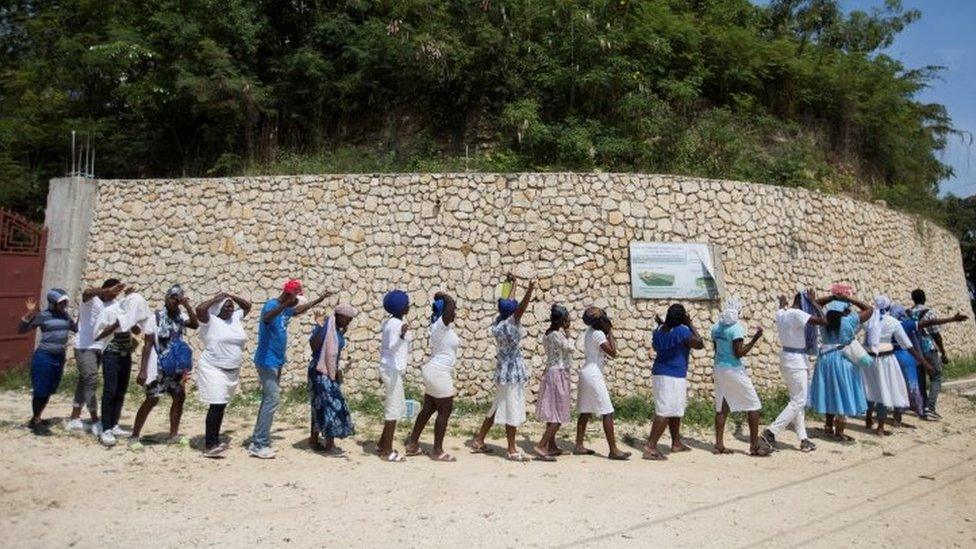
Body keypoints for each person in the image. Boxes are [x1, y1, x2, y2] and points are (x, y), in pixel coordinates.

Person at [249, 279, 329, 459]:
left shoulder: (285, 308)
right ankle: (259, 443)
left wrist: (319, 299)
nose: (297, 301)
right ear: (289, 295)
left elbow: (299, 310)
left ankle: (259, 438)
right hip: (266, 361)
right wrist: (285, 304)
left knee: (267, 400)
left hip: (276, 360)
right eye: (296, 297)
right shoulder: (272, 305)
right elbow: (266, 318)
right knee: (272, 400)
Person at [469, 274, 535, 461]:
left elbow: (509, 304)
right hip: (512, 372)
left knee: (497, 405)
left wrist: (514, 284)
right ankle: (511, 448)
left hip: (502, 371)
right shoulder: (511, 323)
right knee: (512, 409)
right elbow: (521, 306)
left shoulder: (498, 322)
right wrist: (529, 289)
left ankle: (479, 439)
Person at [129, 285, 200, 449]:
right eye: (172, 298)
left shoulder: (181, 317)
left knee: (179, 397)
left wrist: (187, 305)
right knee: (151, 400)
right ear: (166, 298)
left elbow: (195, 325)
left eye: (178, 298)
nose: (175, 301)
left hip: (176, 367)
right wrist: (143, 370)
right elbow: (147, 345)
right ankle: (134, 435)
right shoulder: (157, 318)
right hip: (159, 366)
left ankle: (173, 434)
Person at [762, 291, 827, 452]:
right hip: (796, 362)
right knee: (799, 401)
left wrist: (782, 302)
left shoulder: (782, 313)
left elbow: (782, 307)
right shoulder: (798, 314)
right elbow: (824, 320)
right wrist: (814, 302)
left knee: (796, 401)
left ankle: (803, 439)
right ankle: (771, 431)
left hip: (787, 358)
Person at [709, 298, 771, 456]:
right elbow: (739, 353)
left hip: (719, 367)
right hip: (734, 369)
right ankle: (754, 445)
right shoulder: (737, 328)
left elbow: (716, 350)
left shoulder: (715, 327)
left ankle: (719, 445)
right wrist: (755, 339)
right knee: (754, 404)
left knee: (721, 406)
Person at [807, 293, 873, 442]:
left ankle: (828, 425)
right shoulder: (849, 320)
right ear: (844, 310)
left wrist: (831, 297)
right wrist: (848, 299)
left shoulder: (823, 320)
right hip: (842, 359)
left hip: (825, 359)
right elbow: (869, 309)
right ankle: (840, 431)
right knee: (843, 391)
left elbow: (814, 304)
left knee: (829, 390)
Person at [642, 304, 704, 460]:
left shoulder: (658, 331)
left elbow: (656, 346)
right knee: (665, 411)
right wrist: (689, 323)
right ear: (682, 317)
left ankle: (676, 442)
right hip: (673, 376)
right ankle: (650, 447)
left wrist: (662, 324)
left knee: (675, 408)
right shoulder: (683, 331)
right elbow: (699, 343)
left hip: (660, 373)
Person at [194, 292, 251, 458]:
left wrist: (232, 296)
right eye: (227, 306)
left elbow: (247, 306)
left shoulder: (235, 318)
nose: (231, 308)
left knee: (221, 405)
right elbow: (199, 309)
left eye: (231, 306)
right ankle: (210, 445)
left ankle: (215, 440)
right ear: (218, 308)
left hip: (231, 371)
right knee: (216, 404)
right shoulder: (210, 321)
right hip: (213, 368)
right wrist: (216, 299)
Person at [93, 292, 155, 446]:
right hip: (111, 355)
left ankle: (114, 424)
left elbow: (137, 332)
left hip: (125, 355)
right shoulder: (109, 312)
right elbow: (98, 335)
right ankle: (105, 428)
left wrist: (131, 322)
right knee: (110, 390)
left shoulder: (129, 314)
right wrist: (117, 323)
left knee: (121, 390)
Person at [406, 292, 461, 462]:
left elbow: (450, 309)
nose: (455, 313)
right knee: (445, 410)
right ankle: (437, 451)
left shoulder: (440, 327)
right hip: (439, 372)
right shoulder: (440, 325)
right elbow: (450, 305)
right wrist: (444, 296)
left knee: (429, 408)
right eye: (452, 311)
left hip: (434, 371)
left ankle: (413, 443)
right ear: (445, 312)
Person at [66, 279, 125, 433]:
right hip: (85, 346)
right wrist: (106, 291)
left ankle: (74, 417)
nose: (115, 294)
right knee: (91, 378)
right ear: (105, 289)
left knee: (84, 380)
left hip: (102, 348)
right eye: (113, 290)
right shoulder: (91, 301)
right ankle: (95, 420)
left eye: (117, 291)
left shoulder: (114, 305)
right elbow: (86, 293)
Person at [573, 307, 631, 460]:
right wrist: (609, 331)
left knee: (585, 411)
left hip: (586, 372)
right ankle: (613, 450)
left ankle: (579, 445)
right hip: (593, 375)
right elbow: (612, 352)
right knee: (607, 411)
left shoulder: (589, 331)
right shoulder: (598, 334)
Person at [18, 289, 77, 435]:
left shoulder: (65, 316)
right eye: (61, 302)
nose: (64, 304)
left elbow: (76, 329)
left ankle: (35, 417)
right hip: (44, 357)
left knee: (50, 389)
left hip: (59, 357)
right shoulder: (43, 316)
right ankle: (36, 421)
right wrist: (29, 314)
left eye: (65, 302)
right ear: (53, 302)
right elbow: (21, 330)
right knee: (41, 389)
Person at [309, 302, 359, 456]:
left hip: (328, 371)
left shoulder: (334, 329)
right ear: (338, 316)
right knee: (332, 406)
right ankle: (329, 446)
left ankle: (314, 440)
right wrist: (319, 327)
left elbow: (333, 347)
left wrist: (342, 332)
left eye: (350, 319)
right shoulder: (324, 326)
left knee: (320, 405)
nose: (349, 321)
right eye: (347, 318)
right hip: (320, 371)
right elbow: (314, 346)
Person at [909, 289, 965, 419]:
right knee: (936, 376)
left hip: (915, 350)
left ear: (913, 299)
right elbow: (936, 334)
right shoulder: (929, 312)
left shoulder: (908, 313)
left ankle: (923, 407)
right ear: (924, 298)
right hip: (928, 348)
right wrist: (943, 352)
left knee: (921, 379)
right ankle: (930, 407)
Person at [532, 304, 574, 461]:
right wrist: (569, 335)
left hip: (550, 372)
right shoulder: (557, 335)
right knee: (558, 414)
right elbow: (570, 349)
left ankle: (552, 445)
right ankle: (542, 445)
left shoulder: (547, 335)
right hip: (558, 374)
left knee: (552, 412)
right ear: (563, 320)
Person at [375, 289, 412, 462]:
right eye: (406, 303)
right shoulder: (396, 325)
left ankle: (382, 444)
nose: (409, 305)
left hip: (391, 368)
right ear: (399, 307)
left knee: (395, 406)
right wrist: (402, 335)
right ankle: (387, 451)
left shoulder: (391, 322)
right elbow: (391, 347)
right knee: (393, 409)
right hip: (392, 369)